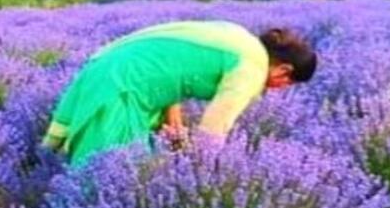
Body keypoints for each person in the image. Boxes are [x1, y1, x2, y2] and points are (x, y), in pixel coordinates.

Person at [44, 21, 316, 166]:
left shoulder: (240, 37)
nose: (280, 90)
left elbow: (174, 61)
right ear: (283, 71)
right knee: (109, 168)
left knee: (131, 165)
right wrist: (202, 172)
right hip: (124, 83)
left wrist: (172, 113)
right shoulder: (252, 67)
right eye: (288, 84)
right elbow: (214, 128)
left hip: (116, 67)